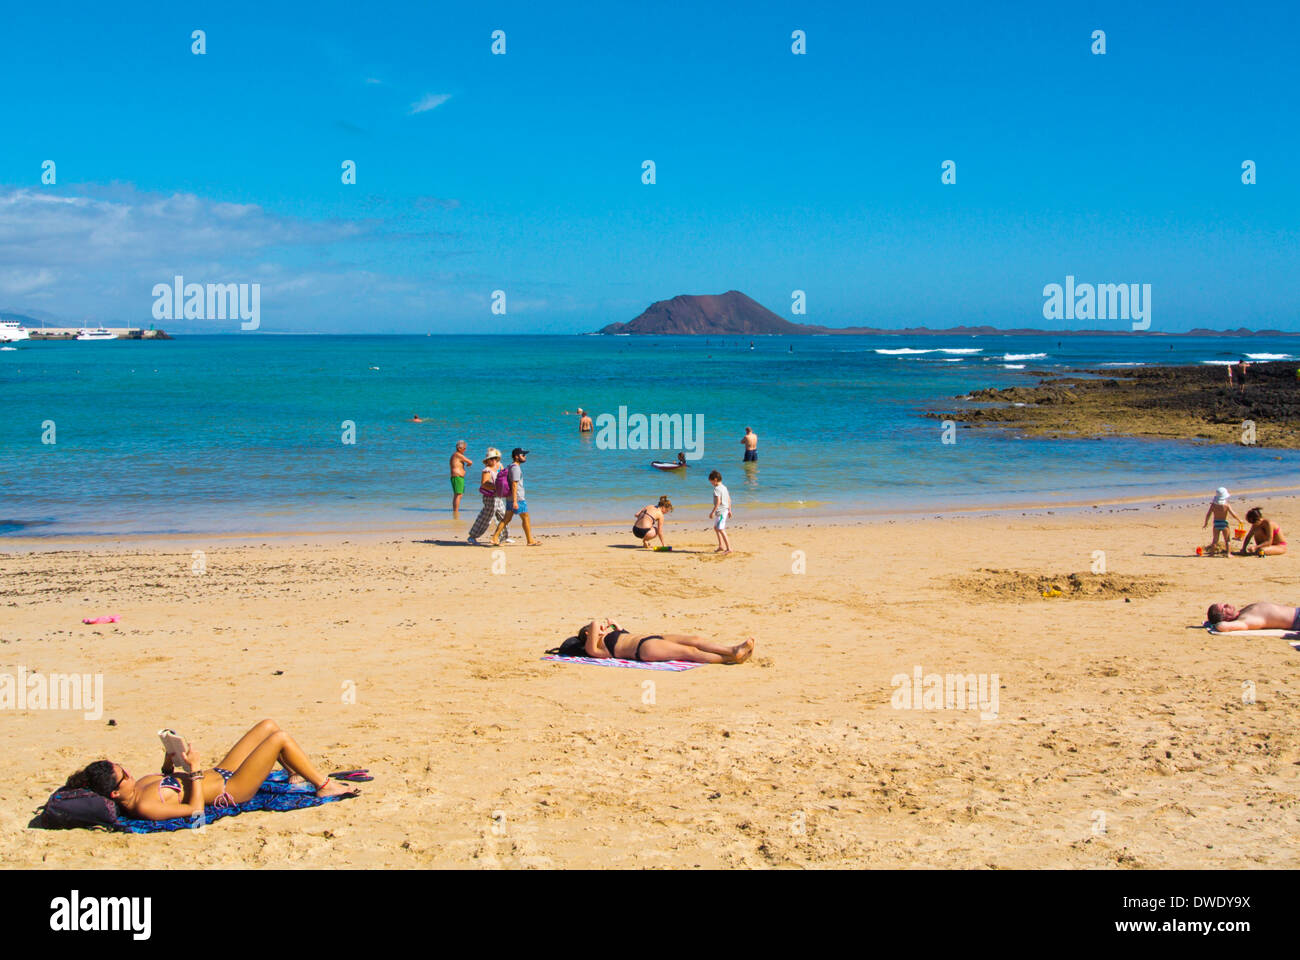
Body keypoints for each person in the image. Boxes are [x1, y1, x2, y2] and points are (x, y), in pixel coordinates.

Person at [61, 719, 358, 822]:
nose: (129, 774)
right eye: (123, 776)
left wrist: (170, 759)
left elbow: (166, 778)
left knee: (268, 725)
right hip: (232, 790)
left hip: (221, 772)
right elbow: (193, 811)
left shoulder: (139, 786)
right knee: (279, 740)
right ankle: (322, 784)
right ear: (115, 792)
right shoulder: (146, 806)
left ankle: (295, 772)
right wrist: (194, 771)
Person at [554, 619, 755, 664]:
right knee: (690, 653)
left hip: (651, 638)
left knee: (694, 640)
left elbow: (623, 632)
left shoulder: (605, 637)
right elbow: (595, 623)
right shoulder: (595, 649)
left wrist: (615, 625)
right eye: (597, 630)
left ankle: (732, 649)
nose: (602, 629)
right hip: (644, 649)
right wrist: (594, 627)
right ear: (588, 635)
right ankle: (729, 658)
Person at [492, 448, 540, 546]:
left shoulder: (510, 466)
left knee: (506, 519)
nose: (525, 457)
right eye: (523, 455)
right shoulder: (516, 468)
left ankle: (495, 537)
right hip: (517, 498)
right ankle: (530, 540)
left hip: (511, 497)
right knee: (525, 517)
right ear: (516, 456)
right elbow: (514, 484)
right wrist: (515, 501)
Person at [467, 448, 511, 544]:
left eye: (495, 458)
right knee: (486, 517)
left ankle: (504, 536)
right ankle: (472, 536)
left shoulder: (500, 466)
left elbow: (503, 477)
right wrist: (496, 487)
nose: (494, 461)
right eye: (491, 459)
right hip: (490, 497)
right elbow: (484, 484)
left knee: (503, 515)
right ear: (487, 460)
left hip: (498, 496)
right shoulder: (487, 470)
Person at [1206, 600, 1300, 632]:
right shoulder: (1244, 620)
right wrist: (1217, 623)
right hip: (1297, 619)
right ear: (1225, 618)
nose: (1227, 604)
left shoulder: (1242, 612)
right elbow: (1221, 626)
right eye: (1224, 607)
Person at [1202, 487, 1241, 557]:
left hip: (1216, 524)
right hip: (1224, 524)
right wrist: (1239, 520)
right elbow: (1233, 514)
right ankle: (1228, 554)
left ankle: (1211, 554)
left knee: (1215, 540)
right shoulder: (1226, 505)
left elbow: (1208, 514)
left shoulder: (1213, 505)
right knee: (1227, 540)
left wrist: (1206, 523)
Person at [709, 469, 732, 554]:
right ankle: (721, 546)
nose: (711, 484)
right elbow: (729, 499)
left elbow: (718, 501)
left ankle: (729, 548)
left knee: (721, 529)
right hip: (724, 511)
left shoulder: (717, 489)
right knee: (716, 528)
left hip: (721, 512)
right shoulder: (724, 487)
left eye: (711, 482)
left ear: (715, 480)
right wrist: (729, 510)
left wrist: (712, 512)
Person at [449, 441, 473, 515]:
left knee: (459, 494)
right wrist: (469, 464)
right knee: (458, 494)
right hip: (457, 477)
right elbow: (470, 461)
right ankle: (455, 512)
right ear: (459, 448)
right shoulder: (457, 455)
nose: (465, 450)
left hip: (458, 477)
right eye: (464, 448)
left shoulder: (455, 455)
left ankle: (455, 511)